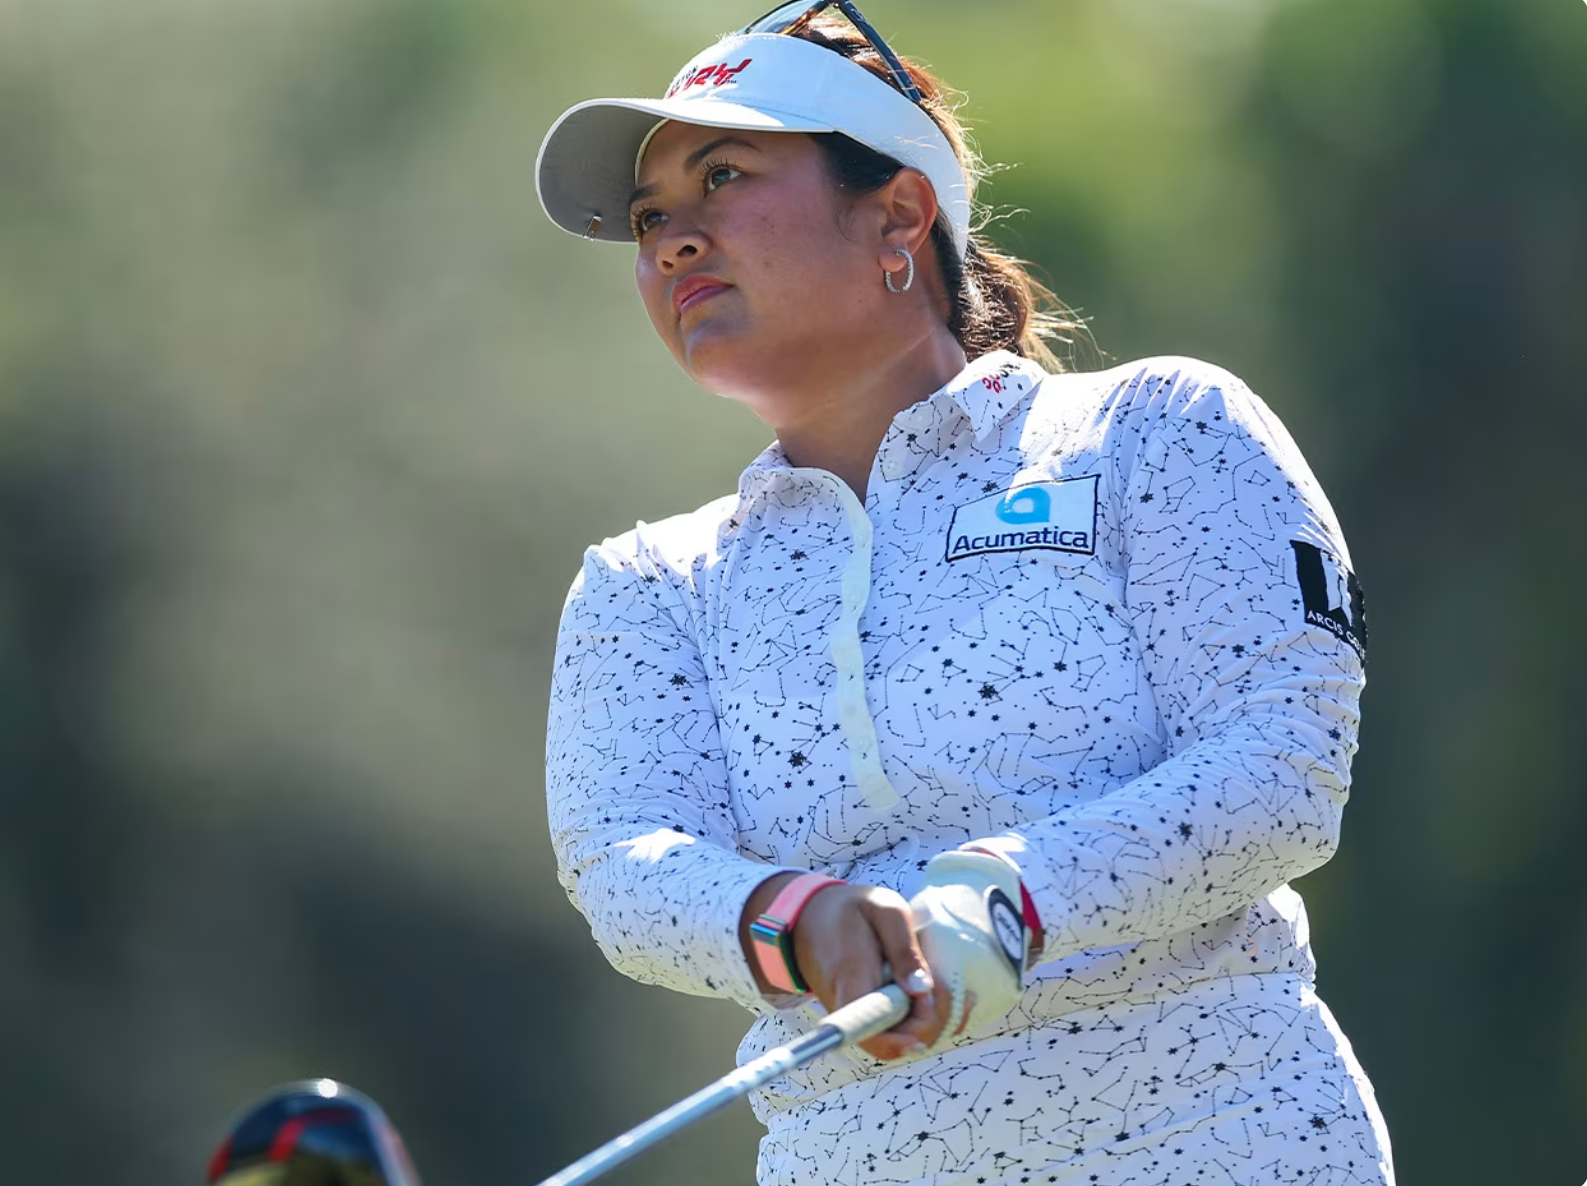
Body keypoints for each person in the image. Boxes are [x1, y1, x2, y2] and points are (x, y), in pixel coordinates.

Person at [535, 4, 1396, 1183]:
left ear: (897, 215)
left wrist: (1008, 894)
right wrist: (799, 919)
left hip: (1219, 1140)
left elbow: (1279, 768)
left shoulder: (1153, 430)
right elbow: (624, 863)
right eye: (647, 219)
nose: (671, 243)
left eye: (722, 177)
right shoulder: (647, 587)